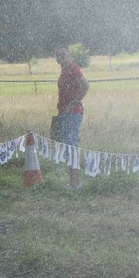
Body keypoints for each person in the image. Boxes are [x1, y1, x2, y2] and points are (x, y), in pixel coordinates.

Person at [56, 46, 89, 189]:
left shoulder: (72, 68)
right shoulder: (64, 70)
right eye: (58, 55)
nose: (61, 57)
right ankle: (73, 181)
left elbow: (85, 85)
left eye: (63, 54)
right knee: (68, 145)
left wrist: (75, 101)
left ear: (69, 56)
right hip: (65, 113)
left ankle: (75, 183)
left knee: (71, 145)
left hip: (73, 112)